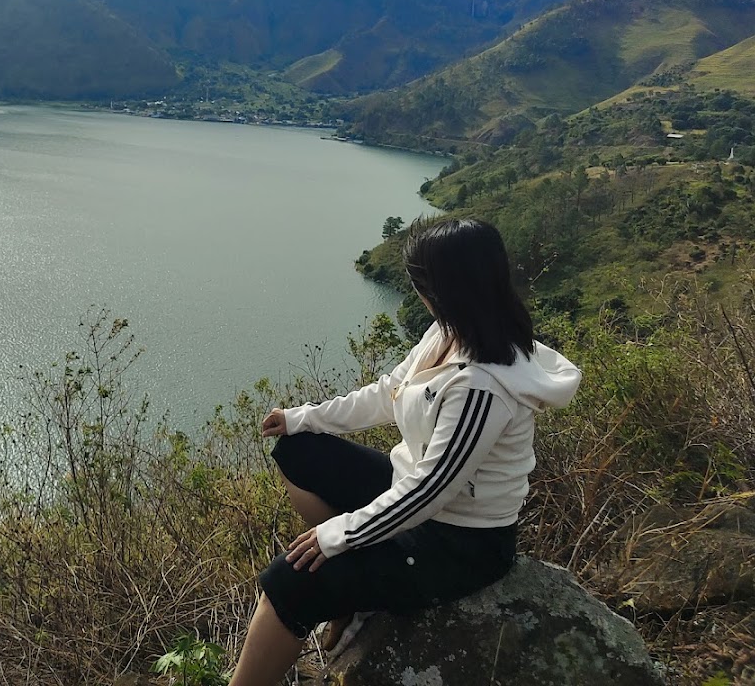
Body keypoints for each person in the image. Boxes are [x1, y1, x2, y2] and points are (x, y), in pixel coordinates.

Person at [228, 218, 581, 685]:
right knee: (297, 450)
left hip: (459, 541)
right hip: (413, 494)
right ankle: (353, 593)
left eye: (418, 283)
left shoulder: (483, 386)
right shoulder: (448, 332)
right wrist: (302, 417)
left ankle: (325, 603)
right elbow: (389, 391)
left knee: (291, 582)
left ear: (441, 289)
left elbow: (429, 492)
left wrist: (340, 536)